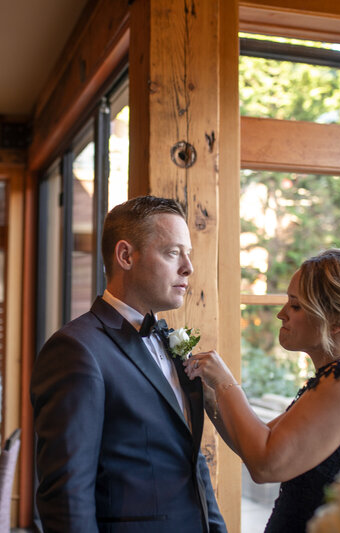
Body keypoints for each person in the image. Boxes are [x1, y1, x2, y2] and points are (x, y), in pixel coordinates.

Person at [31, 195, 227, 533]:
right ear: (126, 255)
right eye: (172, 253)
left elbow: (192, 464)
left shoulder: (170, 341)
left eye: (188, 254)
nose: (188, 268)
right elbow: (66, 494)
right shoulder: (76, 350)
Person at [185, 249, 340, 533]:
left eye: (296, 306)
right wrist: (208, 391)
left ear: (339, 321)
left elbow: (266, 465)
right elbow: (253, 442)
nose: (281, 314)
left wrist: (226, 381)